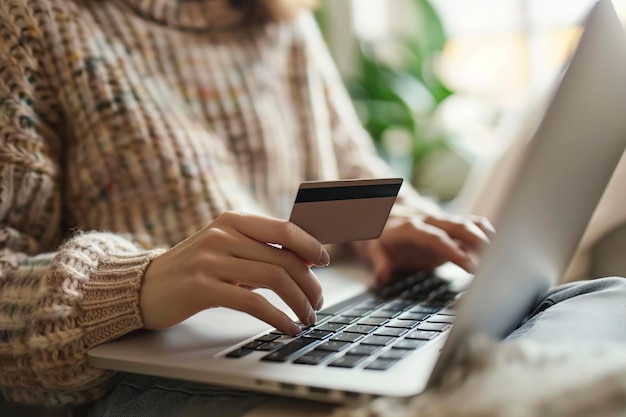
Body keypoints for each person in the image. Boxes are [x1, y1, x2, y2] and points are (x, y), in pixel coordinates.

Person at [1, 1, 625, 417]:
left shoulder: (281, 19)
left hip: (323, 319)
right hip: (164, 378)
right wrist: (134, 286)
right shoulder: (34, 21)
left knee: (605, 304)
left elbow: (348, 173)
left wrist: (387, 226)